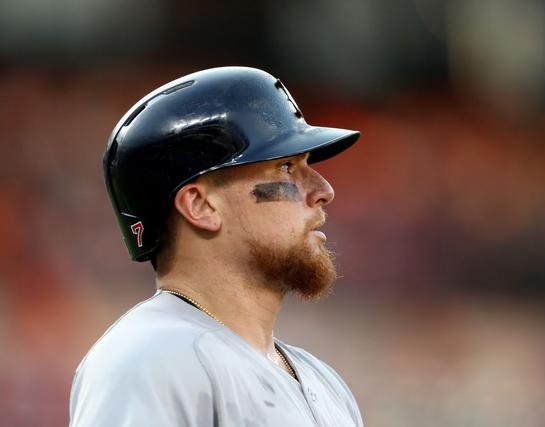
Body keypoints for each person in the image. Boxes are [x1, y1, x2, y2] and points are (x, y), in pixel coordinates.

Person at [69, 67, 363, 427]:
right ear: (201, 206)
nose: (324, 190)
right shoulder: (149, 359)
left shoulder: (326, 383)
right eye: (286, 166)